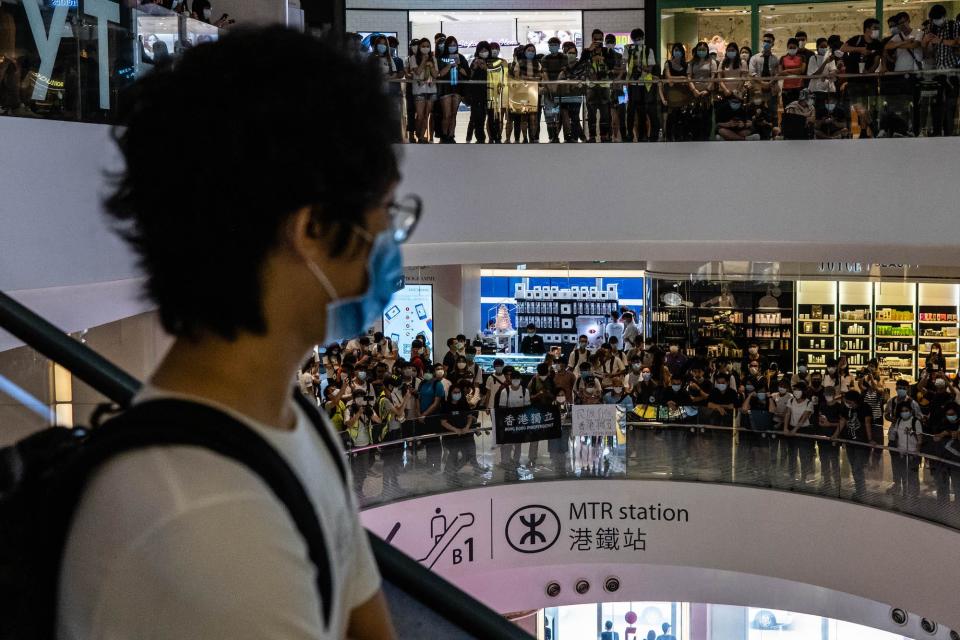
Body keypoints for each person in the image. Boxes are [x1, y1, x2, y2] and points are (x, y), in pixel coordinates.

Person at [60, 28, 407, 640]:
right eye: (386, 214)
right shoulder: (204, 520)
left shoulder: (295, 423)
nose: (390, 240)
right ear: (311, 229)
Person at [885, 11, 924, 136]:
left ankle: (915, 130)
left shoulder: (918, 32)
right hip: (900, 73)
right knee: (900, 104)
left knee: (916, 104)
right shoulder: (898, 36)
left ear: (908, 20)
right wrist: (904, 43)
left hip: (914, 73)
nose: (901, 25)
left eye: (903, 22)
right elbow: (888, 46)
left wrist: (899, 45)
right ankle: (902, 129)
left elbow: (916, 44)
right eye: (899, 24)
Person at [842, 18, 883, 137]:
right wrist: (860, 49)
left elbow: (877, 60)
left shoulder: (877, 44)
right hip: (854, 79)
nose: (877, 31)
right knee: (859, 105)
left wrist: (869, 71)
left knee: (869, 106)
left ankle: (864, 131)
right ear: (867, 29)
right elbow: (843, 48)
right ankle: (871, 126)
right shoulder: (857, 39)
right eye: (875, 28)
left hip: (869, 80)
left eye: (878, 28)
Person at [923, 4, 959, 137]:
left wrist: (940, 40)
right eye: (933, 19)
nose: (936, 21)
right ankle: (937, 131)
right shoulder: (931, 28)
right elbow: (928, 54)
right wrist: (925, 43)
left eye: (938, 18)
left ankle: (950, 132)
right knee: (936, 104)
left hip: (953, 71)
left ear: (944, 17)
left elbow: (957, 42)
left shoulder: (953, 25)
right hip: (938, 72)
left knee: (951, 104)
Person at [834, 390, 873, 500]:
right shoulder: (845, 408)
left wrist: (870, 440)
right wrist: (835, 435)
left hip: (861, 443)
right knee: (854, 467)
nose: (847, 403)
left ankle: (861, 492)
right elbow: (842, 421)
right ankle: (859, 490)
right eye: (846, 401)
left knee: (857, 467)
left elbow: (867, 423)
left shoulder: (865, 407)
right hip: (850, 442)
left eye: (849, 401)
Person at [624, 28, 659, 142]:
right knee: (631, 110)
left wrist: (640, 65)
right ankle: (629, 134)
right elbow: (623, 63)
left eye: (640, 39)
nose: (638, 41)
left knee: (642, 110)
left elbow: (650, 68)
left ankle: (642, 135)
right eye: (636, 39)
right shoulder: (628, 49)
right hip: (632, 83)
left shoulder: (649, 50)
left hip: (645, 83)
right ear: (632, 40)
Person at [495, 367, 531, 470]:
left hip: (520, 422)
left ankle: (516, 461)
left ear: (520, 379)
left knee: (518, 444)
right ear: (510, 379)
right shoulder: (505, 391)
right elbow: (502, 407)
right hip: (508, 422)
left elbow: (527, 407)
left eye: (517, 378)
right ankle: (505, 461)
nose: (515, 381)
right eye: (513, 378)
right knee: (507, 444)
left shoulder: (525, 391)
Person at [439, 382, 477, 477]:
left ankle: (454, 470)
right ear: (451, 393)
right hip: (451, 436)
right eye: (455, 392)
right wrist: (455, 429)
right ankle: (448, 472)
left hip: (465, 433)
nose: (457, 394)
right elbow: (443, 422)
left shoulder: (464, 403)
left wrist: (467, 427)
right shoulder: (446, 405)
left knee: (469, 454)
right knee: (453, 453)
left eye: (458, 392)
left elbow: (470, 416)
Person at [436, 36, 470, 143]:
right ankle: (444, 135)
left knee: (453, 114)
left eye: (454, 45)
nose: (452, 47)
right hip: (445, 89)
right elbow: (440, 74)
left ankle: (451, 135)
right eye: (450, 45)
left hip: (457, 89)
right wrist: (450, 65)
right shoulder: (441, 57)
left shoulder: (461, 57)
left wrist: (458, 65)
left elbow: (467, 74)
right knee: (446, 114)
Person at [888, 400, 924, 498]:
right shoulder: (899, 421)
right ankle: (905, 494)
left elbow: (920, 440)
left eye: (906, 410)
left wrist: (916, 453)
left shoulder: (915, 421)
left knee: (913, 476)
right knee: (904, 474)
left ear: (911, 411)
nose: (904, 412)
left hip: (913, 455)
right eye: (902, 411)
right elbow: (895, 435)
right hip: (902, 454)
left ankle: (914, 495)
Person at [583, 30, 614, 142]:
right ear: (592, 39)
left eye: (600, 39)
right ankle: (591, 136)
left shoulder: (607, 51)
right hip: (591, 85)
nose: (597, 41)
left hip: (605, 85)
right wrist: (590, 54)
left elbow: (612, 64)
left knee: (605, 112)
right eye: (595, 39)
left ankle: (604, 135)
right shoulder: (587, 51)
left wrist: (603, 58)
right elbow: (581, 64)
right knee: (591, 113)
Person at [660, 43, 693, 141]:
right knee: (671, 116)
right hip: (671, 94)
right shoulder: (668, 63)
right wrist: (681, 78)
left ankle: (681, 136)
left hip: (683, 94)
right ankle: (669, 136)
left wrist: (681, 79)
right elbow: (668, 77)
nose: (677, 52)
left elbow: (688, 78)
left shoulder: (686, 64)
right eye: (675, 50)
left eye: (679, 50)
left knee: (681, 116)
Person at [512, 43, 544, 143]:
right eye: (529, 50)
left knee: (534, 117)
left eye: (532, 51)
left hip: (535, 92)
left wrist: (527, 78)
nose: (531, 52)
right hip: (523, 92)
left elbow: (540, 77)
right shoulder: (520, 63)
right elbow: (517, 77)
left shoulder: (537, 63)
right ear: (525, 52)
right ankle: (525, 137)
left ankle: (533, 137)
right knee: (524, 117)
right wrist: (532, 79)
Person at [558, 42, 589, 142]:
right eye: (569, 52)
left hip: (576, 94)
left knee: (574, 116)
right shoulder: (563, 65)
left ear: (576, 54)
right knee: (565, 116)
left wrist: (570, 81)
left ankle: (577, 137)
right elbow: (560, 78)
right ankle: (570, 137)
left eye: (573, 53)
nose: (571, 55)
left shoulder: (580, 65)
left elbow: (581, 80)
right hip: (564, 95)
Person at [749, 33, 781, 129]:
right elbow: (752, 73)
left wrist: (770, 83)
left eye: (769, 41)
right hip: (758, 89)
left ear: (773, 44)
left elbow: (777, 74)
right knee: (757, 112)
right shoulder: (754, 58)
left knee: (773, 113)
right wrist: (762, 83)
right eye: (764, 41)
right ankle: (757, 134)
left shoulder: (776, 59)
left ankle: (774, 134)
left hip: (772, 90)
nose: (766, 43)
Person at [688, 41, 717, 141]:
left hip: (707, 94)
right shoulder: (692, 63)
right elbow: (689, 77)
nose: (701, 51)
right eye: (699, 49)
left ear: (707, 51)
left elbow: (713, 77)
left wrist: (707, 90)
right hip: (694, 94)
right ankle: (695, 136)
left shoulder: (711, 62)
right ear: (696, 50)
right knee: (695, 117)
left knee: (706, 117)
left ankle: (706, 136)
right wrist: (694, 89)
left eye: (704, 50)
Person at [541, 37, 567, 143]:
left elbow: (562, 72)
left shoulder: (563, 57)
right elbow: (545, 73)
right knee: (549, 113)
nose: (553, 47)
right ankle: (551, 136)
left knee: (558, 113)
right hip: (548, 90)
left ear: (559, 46)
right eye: (551, 45)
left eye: (555, 45)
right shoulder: (545, 59)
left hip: (560, 89)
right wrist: (550, 87)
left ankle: (557, 136)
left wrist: (555, 86)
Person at [604, 33, 627, 142]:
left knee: (621, 112)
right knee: (609, 114)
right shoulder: (602, 56)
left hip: (619, 89)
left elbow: (623, 70)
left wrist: (616, 74)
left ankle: (622, 135)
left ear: (615, 43)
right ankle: (611, 136)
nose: (609, 44)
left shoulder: (619, 56)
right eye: (607, 42)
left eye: (611, 42)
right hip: (607, 89)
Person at [484, 42, 508, 143]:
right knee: (490, 117)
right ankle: (490, 137)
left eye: (496, 48)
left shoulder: (503, 62)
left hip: (501, 92)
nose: (494, 50)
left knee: (500, 117)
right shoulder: (484, 62)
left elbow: (506, 77)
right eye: (492, 48)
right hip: (488, 92)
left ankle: (498, 136)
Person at [778, 38, 806, 109]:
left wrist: (786, 71)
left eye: (794, 47)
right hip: (786, 88)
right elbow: (780, 72)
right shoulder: (783, 58)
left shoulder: (802, 57)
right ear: (787, 48)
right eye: (790, 47)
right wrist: (796, 70)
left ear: (797, 48)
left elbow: (802, 70)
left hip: (799, 87)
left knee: (799, 110)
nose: (792, 49)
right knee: (787, 109)